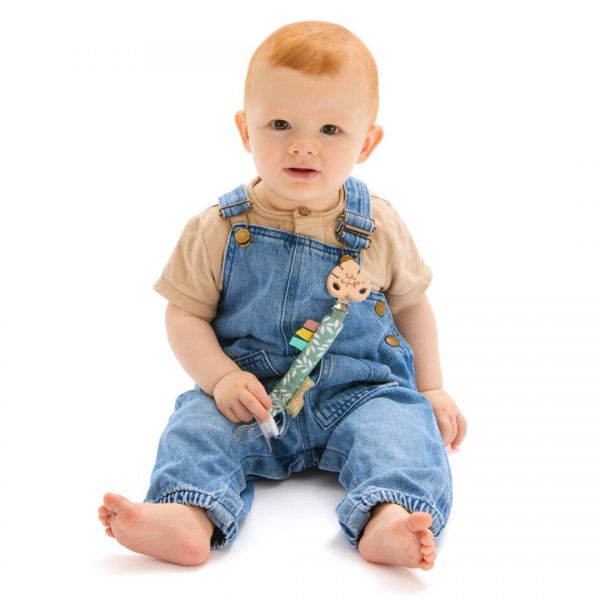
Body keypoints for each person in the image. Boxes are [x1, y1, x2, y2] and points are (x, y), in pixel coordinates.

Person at [98, 20, 467, 570]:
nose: (303, 145)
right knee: (197, 428)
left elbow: (411, 304)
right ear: (245, 130)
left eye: (331, 129)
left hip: (362, 390)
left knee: (403, 431)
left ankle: (391, 514)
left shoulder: (379, 225)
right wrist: (220, 378)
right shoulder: (219, 229)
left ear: (366, 143)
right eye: (280, 123)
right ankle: (186, 510)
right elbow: (184, 314)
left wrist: (431, 387)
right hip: (251, 393)